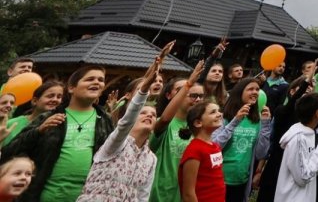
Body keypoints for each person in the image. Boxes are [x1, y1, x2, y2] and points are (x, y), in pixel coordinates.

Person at [6, 64, 113, 202]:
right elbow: (10, 150)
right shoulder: (48, 117)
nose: (96, 82)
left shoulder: (105, 120)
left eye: (101, 80)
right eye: (90, 79)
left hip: (88, 197)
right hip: (46, 196)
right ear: (71, 88)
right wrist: (38, 131)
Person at [76, 46, 169, 202]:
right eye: (143, 113)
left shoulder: (151, 158)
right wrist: (145, 86)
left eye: (153, 115)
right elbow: (127, 120)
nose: (149, 115)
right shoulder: (116, 143)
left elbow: (143, 196)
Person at [148, 63, 207, 202]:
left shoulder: (201, 128)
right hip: (162, 193)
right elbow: (165, 120)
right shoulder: (164, 123)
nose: (196, 98)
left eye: (200, 95)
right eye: (191, 94)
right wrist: (188, 84)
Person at [215, 78, 272, 202]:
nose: (255, 92)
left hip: (242, 181)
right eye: (250, 89)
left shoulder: (257, 120)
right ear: (240, 92)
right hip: (219, 179)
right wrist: (235, 121)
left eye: (257, 89)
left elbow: (260, 153)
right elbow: (214, 146)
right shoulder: (223, 117)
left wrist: (266, 125)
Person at [276, 93, 318, 202]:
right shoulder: (298, 139)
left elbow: (306, 167)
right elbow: (302, 178)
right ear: (317, 113)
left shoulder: (309, 134)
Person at [179, 101, 225, 202]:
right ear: (198, 123)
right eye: (213, 112)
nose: (219, 114)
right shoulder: (194, 150)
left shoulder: (215, 146)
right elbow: (188, 193)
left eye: (219, 111)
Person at [2, 83, 64, 148]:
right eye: (50, 96)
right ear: (34, 101)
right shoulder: (11, 124)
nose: (55, 99)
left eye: (59, 97)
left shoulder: (60, 126)